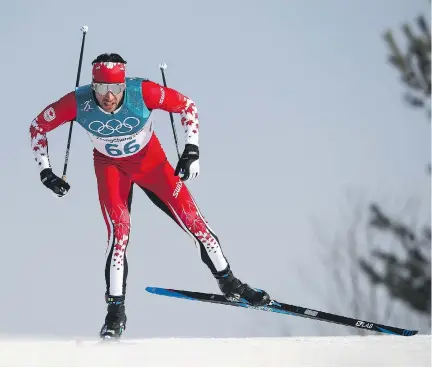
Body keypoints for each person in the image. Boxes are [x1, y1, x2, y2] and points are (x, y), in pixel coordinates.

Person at [30, 53, 270, 340]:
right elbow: (37, 127)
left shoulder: (142, 92)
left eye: (115, 89)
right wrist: (46, 172)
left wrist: (191, 150)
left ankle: (231, 284)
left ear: (124, 86)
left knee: (196, 224)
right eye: (102, 90)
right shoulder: (76, 102)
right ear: (92, 86)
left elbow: (187, 106)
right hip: (111, 170)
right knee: (119, 236)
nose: (109, 97)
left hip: (152, 166)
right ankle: (115, 314)